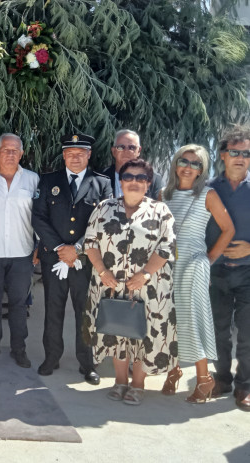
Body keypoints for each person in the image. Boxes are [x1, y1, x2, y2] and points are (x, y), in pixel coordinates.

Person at [84, 158, 177, 405]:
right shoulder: (104, 207)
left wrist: (145, 273)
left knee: (142, 334)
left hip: (149, 287)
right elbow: (90, 243)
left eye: (140, 178)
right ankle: (120, 381)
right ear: (120, 181)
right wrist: (103, 271)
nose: (134, 182)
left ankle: (138, 384)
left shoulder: (160, 211)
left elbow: (167, 247)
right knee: (116, 331)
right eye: (128, 177)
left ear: (148, 183)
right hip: (110, 284)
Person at [32, 133, 112, 384]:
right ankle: (51, 357)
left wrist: (76, 248)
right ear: (63, 155)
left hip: (86, 259)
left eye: (80, 153)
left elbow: (103, 222)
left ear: (89, 155)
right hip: (53, 258)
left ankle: (87, 363)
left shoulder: (102, 184)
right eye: (70, 153)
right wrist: (59, 248)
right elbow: (38, 217)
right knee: (53, 310)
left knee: (85, 311)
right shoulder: (48, 181)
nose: (75, 157)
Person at [160, 144, 234, 402]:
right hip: (167, 263)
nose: (189, 167)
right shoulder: (163, 194)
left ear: (202, 170)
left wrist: (209, 258)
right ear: (176, 163)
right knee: (168, 317)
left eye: (196, 164)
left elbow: (228, 229)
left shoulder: (208, 194)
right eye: (184, 161)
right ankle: (173, 369)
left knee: (191, 318)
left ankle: (204, 379)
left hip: (193, 263)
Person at [0, 133, 38, 368]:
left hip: (22, 252)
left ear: (21, 154)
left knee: (18, 305)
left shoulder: (32, 180)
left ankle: (18, 349)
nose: (10, 154)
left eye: (15, 150)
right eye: (6, 149)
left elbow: (39, 217)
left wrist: (38, 246)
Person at [206, 125, 250, 411]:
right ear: (223, 155)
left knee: (247, 333)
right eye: (235, 152)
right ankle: (222, 378)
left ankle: (245, 385)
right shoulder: (208, 189)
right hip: (216, 273)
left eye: (246, 153)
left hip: (248, 273)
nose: (241, 158)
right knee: (219, 331)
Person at [101, 129, 164, 199]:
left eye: (132, 147)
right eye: (121, 147)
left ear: (139, 151)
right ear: (113, 151)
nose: (126, 151)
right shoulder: (101, 178)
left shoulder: (154, 179)